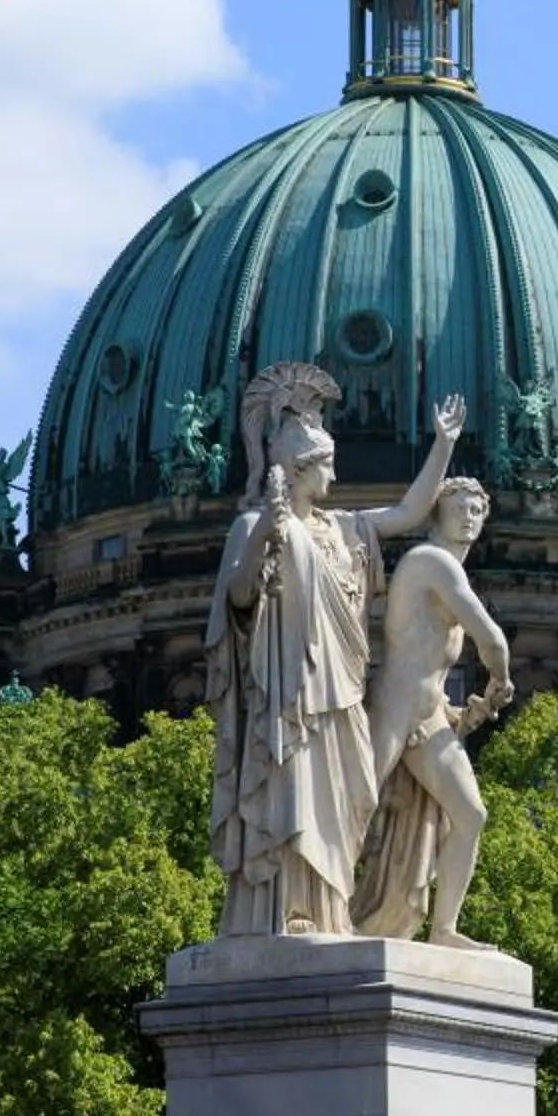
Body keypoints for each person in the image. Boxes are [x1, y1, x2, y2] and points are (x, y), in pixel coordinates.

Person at [203, 364, 465, 938]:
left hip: (342, 691)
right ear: (301, 469)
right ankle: (286, 908)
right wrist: (267, 537)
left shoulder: (345, 528)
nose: (336, 474)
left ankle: (329, 911)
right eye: (327, 465)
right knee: (292, 798)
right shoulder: (254, 525)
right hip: (287, 693)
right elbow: (239, 599)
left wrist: (443, 446)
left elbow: (408, 514)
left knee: (343, 807)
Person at [354, 477, 512, 945]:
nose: (468, 517)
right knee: (356, 809)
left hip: (428, 713)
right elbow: (492, 640)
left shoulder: (448, 569)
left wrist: (457, 708)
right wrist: (500, 680)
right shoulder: (432, 562)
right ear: (437, 515)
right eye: (458, 508)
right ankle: (316, 908)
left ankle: (444, 929)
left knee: (471, 815)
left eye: (476, 510)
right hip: (394, 705)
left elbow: (433, 666)